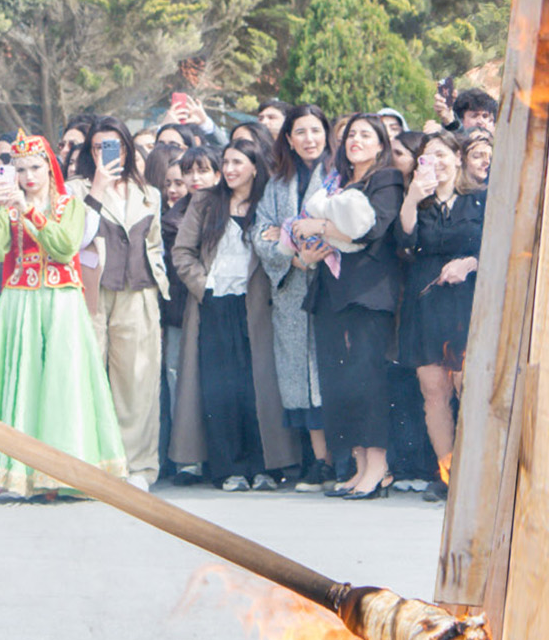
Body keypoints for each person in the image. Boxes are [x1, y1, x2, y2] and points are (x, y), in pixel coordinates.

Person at [0, 134, 128, 496]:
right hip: (19, 300)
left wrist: (29, 210)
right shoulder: (9, 205)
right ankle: (19, 471)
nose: (28, 175)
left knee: (61, 382)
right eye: (20, 169)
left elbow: (65, 245)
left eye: (35, 167)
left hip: (61, 300)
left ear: (49, 167)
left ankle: (66, 472)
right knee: (22, 380)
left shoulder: (69, 204)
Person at [170, 142, 299, 489]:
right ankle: (227, 469)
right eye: (225, 162)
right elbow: (182, 252)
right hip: (212, 302)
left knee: (256, 386)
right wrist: (204, 286)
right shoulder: (205, 201)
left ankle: (263, 467)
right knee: (218, 388)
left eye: (237, 163)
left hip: (255, 304)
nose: (229, 169)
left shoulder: (266, 204)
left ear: (255, 167)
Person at [306, 113, 408, 498]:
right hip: (331, 291)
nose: (356, 140)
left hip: (368, 291)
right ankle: (360, 464)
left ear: (381, 143)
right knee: (342, 382)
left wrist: (317, 227)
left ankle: (379, 467)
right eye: (351, 135)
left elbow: (372, 230)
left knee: (368, 378)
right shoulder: (336, 181)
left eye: (366, 135)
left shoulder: (386, 179)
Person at [78, 115, 168, 490]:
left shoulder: (149, 193)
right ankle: (93, 464)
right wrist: (98, 187)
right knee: (90, 378)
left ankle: (140, 467)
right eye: (98, 147)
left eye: (113, 146)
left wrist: (157, 277)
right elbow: (75, 235)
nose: (105, 153)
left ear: (129, 150)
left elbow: (155, 243)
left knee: (137, 383)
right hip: (92, 294)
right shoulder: (76, 188)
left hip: (139, 291)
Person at [396, 131, 482, 502]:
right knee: (434, 391)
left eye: (444, 154)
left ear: (459, 158)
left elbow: (499, 244)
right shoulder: (418, 203)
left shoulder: (480, 199)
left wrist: (470, 262)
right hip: (426, 302)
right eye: (428, 157)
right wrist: (413, 198)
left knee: (469, 387)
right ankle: (447, 473)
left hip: (468, 302)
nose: (438, 162)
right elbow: (403, 244)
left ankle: (476, 473)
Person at [254, 106, 333, 490]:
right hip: (292, 286)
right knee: (300, 378)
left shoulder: (337, 176)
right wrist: (292, 256)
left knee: (328, 372)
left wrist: (312, 251)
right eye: (299, 132)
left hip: (331, 285)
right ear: (288, 138)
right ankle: (319, 461)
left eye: (315, 130)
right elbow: (262, 232)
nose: (308, 139)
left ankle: (338, 458)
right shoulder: (276, 183)